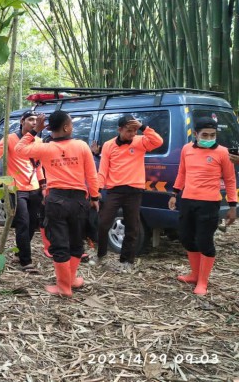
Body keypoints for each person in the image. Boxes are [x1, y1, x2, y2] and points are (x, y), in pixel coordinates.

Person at [15, 110, 99, 297]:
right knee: (76, 242)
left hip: (56, 201)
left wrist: (35, 130)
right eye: (71, 123)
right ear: (66, 127)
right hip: (79, 201)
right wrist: (94, 198)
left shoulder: (45, 148)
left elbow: (19, 149)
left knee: (60, 244)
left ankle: (65, 286)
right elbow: (91, 175)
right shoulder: (82, 146)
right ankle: (71, 280)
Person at [169, 117, 237, 296]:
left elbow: (230, 179)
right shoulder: (187, 149)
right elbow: (182, 172)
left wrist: (232, 206)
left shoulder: (223, 152)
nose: (209, 137)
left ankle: (202, 282)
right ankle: (194, 274)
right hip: (188, 200)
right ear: (196, 134)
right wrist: (175, 194)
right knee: (185, 237)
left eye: (212, 134)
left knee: (204, 241)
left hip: (209, 203)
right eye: (205, 134)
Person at [96, 115, 163, 271]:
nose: (132, 134)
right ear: (119, 129)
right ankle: (100, 255)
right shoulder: (108, 145)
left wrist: (143, 127)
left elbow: (158, 141)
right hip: (114, 190)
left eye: (134, 130)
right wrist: (97, 190)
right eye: (128, 131)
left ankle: (127, 261)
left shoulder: (140, 141)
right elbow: (103, 169)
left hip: (134, 190)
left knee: (132, 227)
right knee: (103, 223)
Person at [0, 111, 45, 271]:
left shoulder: (38, 141)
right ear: (22, 121)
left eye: (36, 120)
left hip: (34, 187)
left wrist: (43, 185)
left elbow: (38, 166)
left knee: (32, 223)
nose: (33, 122)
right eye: (30, 119)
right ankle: (26, 261)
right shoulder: (10, 139)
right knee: (22, 222)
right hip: (16, 188)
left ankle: (19, 252)